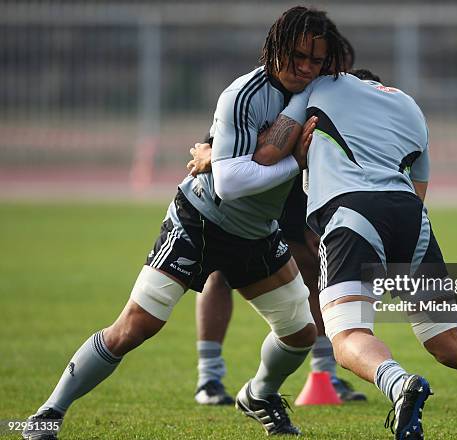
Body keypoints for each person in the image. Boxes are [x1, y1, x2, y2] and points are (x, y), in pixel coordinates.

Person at [22, 6, 346, 439]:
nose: (305, 68)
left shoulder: (324, 89)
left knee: (300, 333)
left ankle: (259, 395)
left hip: (257, 232)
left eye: (315, 60)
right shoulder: (242, 95)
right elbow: (229, 184)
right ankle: (48, 412)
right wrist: (296, 161)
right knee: (136, 326)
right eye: (297, 57)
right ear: (275, 50)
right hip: (202, 220)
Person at [256, 69, 457, 439]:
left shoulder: (322, 92)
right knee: (447, 339)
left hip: (352, 216)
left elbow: (266, 154)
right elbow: (419, 188)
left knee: (346, 338)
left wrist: (213, 156)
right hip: (411, 218)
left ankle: (399, 385)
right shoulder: (407, 106)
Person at [189, 36, 366, 407]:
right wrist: (209, 156)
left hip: (309, 190)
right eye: (315, 62)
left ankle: (327, 374)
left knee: (320, 271)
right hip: (260, 196)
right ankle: (209, 378)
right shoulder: (264, 93)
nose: (319, 70)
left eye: (326, 64)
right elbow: (225, 153)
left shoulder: (354, 93)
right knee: (217, 273)